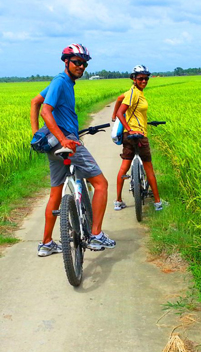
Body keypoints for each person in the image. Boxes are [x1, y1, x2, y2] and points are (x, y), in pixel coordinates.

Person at [30, 43, 116, 257]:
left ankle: (46, 243)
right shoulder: (60, 81)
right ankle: (96, 235)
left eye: (84, 64)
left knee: (55, 193)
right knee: (101, 184)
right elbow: (45, 112)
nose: (81, 67)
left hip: (52, 145)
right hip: (66, 141)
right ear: (66, 62)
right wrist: (64, 139)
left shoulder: (63, 82)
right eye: (77, 62)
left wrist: (37, 134)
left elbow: (35, 102)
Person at [111, 65, 166, 212]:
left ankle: (118, 201)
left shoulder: (132, 93)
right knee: (149, 169)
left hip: (128, 137)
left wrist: (113, 115)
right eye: (140, 78)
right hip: (138, 135)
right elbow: (121, 113)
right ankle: (157, 202)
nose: (144, 81)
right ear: (134, 79)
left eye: (146, 78)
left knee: (124, 167)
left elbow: (118, 99)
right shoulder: (133, 94)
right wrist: (129, 128)